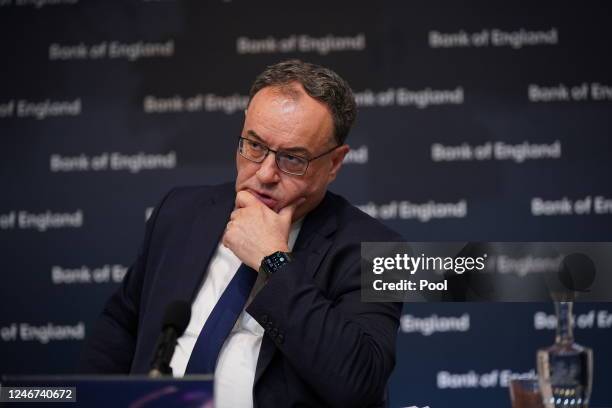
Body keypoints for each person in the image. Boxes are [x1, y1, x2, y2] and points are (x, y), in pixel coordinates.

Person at [80, 59, 403, 407]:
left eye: (292, 159)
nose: (265, 173)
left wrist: (274, 262)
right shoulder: (180, 211)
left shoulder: (380, 249)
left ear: (335, 163)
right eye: (254, 145)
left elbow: (360, 383)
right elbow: (120, 327)